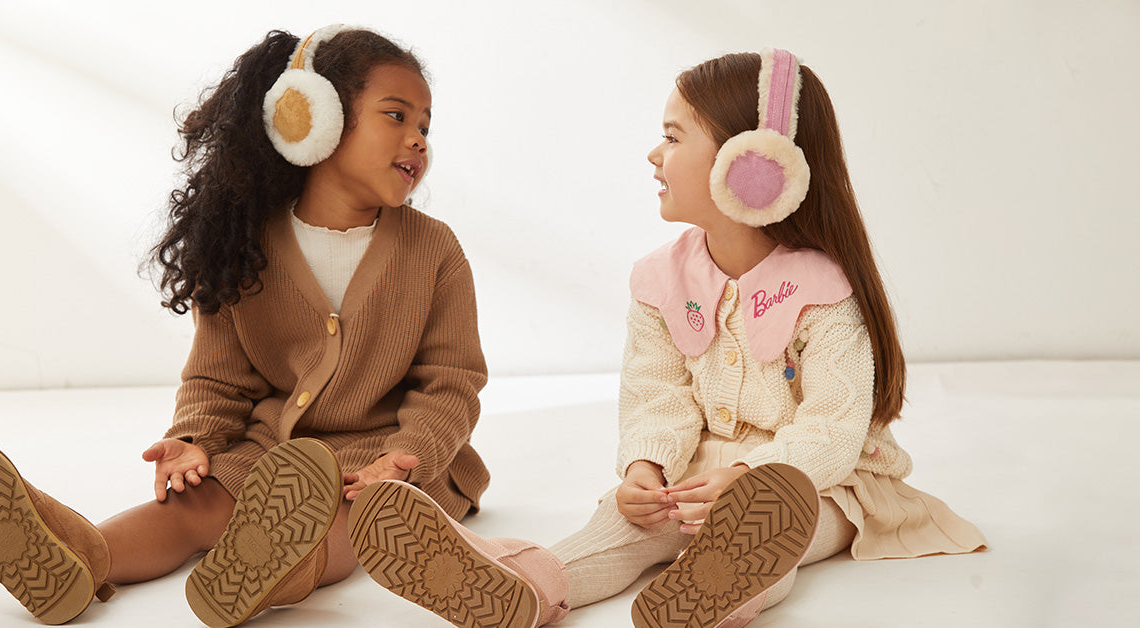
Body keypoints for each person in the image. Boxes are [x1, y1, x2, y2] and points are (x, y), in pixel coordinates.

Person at [347, 48, 988, 628]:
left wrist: (748, 474)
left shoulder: (822, 289)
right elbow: (657, 395)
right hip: (692, 474)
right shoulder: (662, 280)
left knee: (784, 525)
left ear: (752, 167)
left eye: (673, 137)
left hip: (819, 482)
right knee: (618, 527)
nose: (654, 155)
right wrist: (645, 469)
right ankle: (519, 583)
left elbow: (833, 425)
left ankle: (718, 588)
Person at [0, 24, 490, 627]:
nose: (418, 140)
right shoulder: (243, 246)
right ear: (311, 121)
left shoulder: (433, 250)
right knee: (192, 505)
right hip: (276, 461)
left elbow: (450, 382)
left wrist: (407, 454)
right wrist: (196, 441)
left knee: (351, 519)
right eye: (396, 116)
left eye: (426, 126)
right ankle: (73, 561)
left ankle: (269, 567)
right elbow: (218, 376)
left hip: (387, 465)